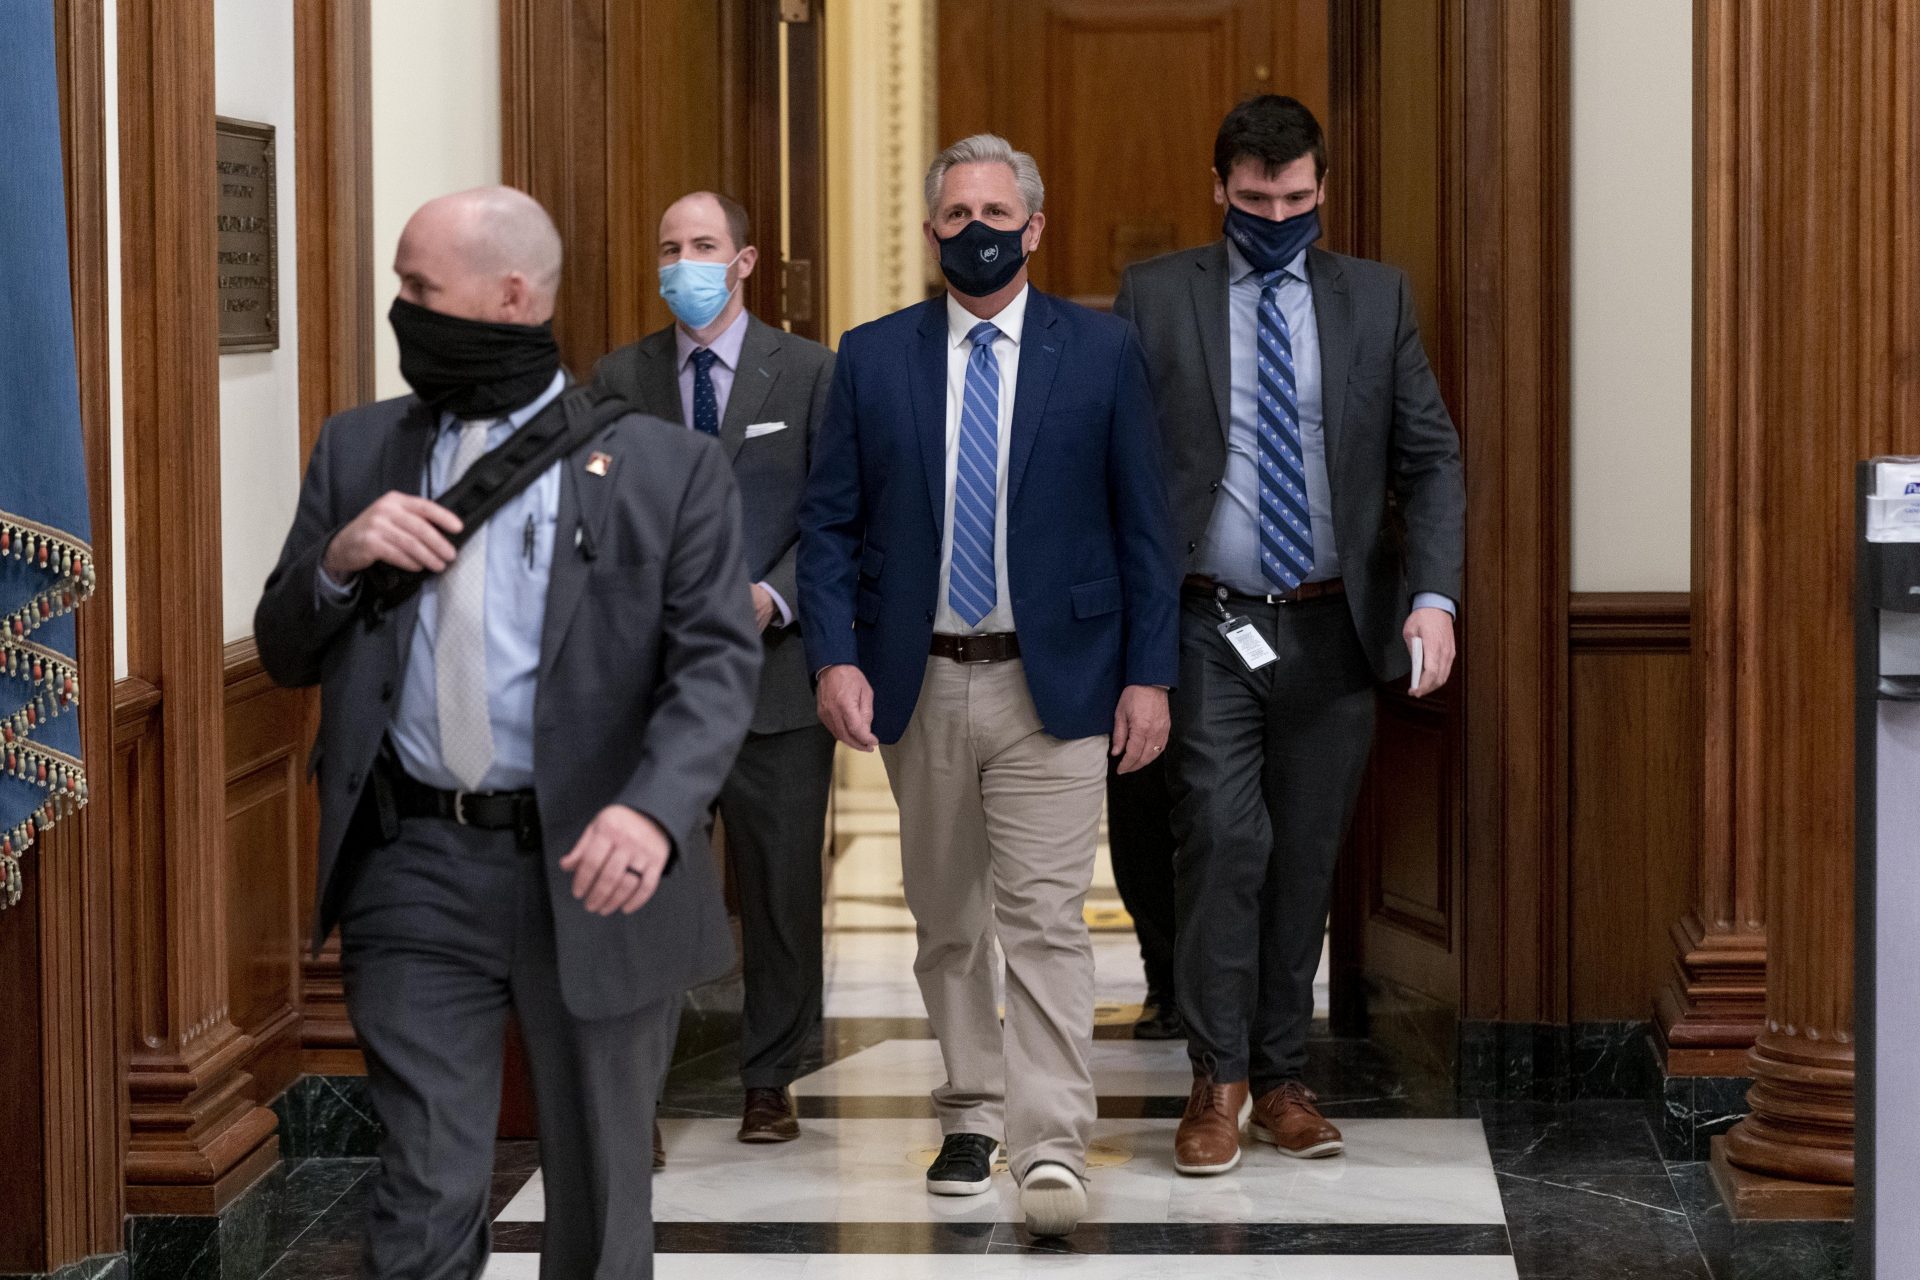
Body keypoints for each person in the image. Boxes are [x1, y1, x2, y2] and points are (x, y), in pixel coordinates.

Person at [255, 186, 762, 1279]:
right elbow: (287, 646)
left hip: (597, 867)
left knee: (599, 1190)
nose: (402, 309)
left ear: (512, 295)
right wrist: (339, 561)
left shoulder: (669, 472)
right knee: (425, 1181)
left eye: (418, 288)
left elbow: (717, 666)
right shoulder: (358, 450)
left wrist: (655, 807)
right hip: (414, 866)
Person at [797, 134, 1179, 1238]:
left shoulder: (1101, 352)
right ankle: (971, 1104)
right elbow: (827, 526)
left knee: (1048, 920)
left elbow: (1146, 530)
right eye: (956, 213)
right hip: (923, 681)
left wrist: (1149, 675)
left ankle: (1053, 1139)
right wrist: (833, 656)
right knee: (948, 916)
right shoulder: (871, 359)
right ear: (930, 233)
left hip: (1054, 685)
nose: (977, 230)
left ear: (1036, 226)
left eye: (996, 211)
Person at [1113, 96, 1465, 1175]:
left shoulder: (1374, 298)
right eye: (1257, 197)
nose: (1278, 214)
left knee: (1305, 857)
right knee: (1223, 840)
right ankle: (1215, 1080)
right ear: (1221, 187)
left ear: (1323, 190)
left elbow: (1431, 457)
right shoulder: (1156, 296)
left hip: (1331, 625)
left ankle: (1281, 1077)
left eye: (1297, 198)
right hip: (1206, 619)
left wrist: (1433, 596)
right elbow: (1119, 470)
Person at [595, 190, 837, 1152]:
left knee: (781, 892)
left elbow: (834, 518)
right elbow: (595, 513)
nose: (682, 262)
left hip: (775, 679)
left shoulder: (812, 374)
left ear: (744, 260)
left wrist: (770, 597)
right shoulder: (621, 375)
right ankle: (634, 1090)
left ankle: (770, 1078)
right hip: (651, 687)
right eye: (669, 246)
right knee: (646, 889)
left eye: (702, 245)